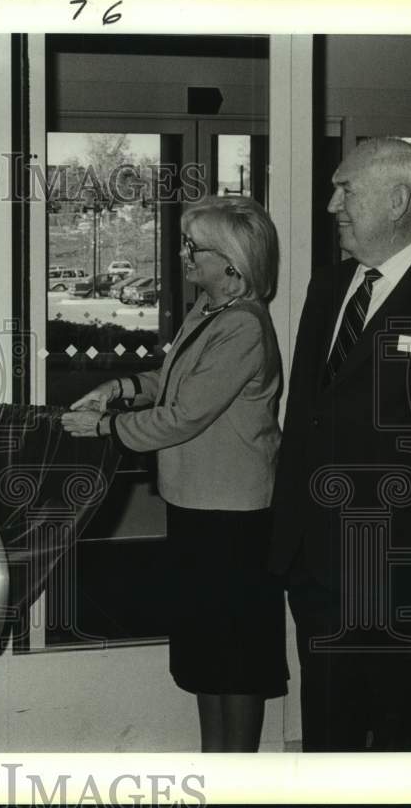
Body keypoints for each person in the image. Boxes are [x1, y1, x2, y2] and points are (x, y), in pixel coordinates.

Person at [61, 195, 287, 752]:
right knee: (208, 658)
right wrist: (118, 388)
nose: (184, 255)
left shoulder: (244, 327)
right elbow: (172, 379)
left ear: (231, 264)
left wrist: (106, 428)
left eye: (195, 247)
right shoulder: (208, 311)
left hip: (234, 518)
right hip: (198, 507)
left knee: (234, 664)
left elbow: (185, 416)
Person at [269, 137, 411, 752]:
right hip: (315, 562)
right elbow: (305, 419)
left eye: (346, 189)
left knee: (405, 735)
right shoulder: (327, 289)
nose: (331, 204)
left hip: (401, 567)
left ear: (398, 200)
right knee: (328, 730)